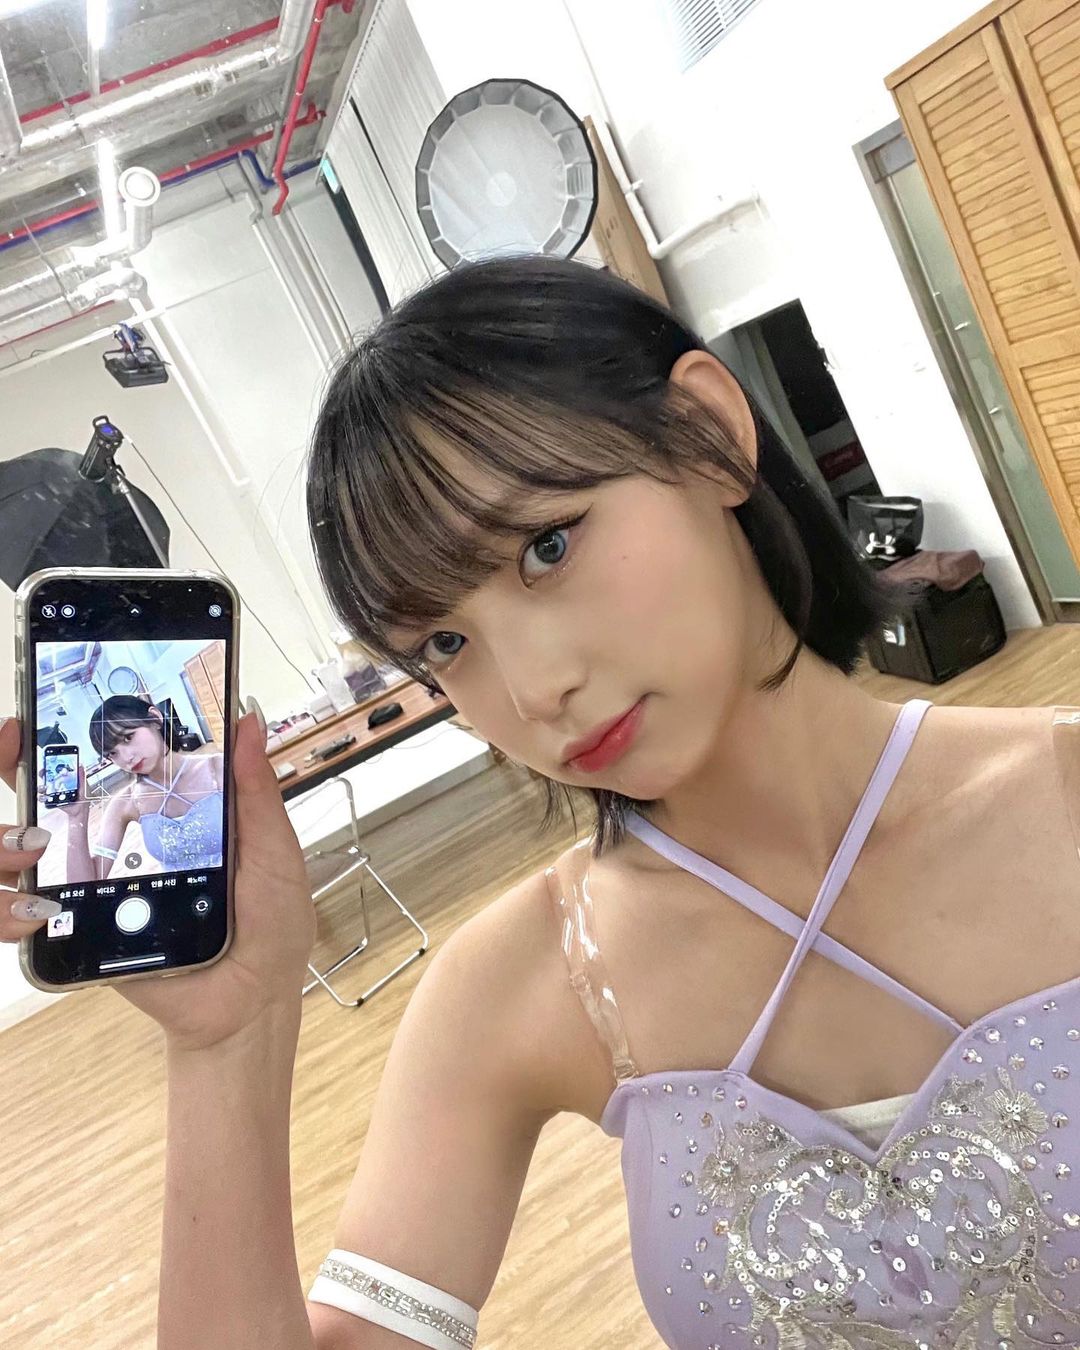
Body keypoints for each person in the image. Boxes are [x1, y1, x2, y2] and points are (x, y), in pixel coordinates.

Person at [4, 256, 1080, 1347]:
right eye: (446, 643)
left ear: (708, 437)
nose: (530, 690)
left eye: (545, 547)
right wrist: (226, 1044)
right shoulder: (523, 985)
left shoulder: (1064, 794)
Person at [46, 694, 224, 882]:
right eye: (112, 753)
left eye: (128, 737)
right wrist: (77, 817)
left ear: (155, 718)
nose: (126, 757)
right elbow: (83, 885)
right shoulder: (126, 803)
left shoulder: (218, 768)